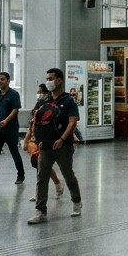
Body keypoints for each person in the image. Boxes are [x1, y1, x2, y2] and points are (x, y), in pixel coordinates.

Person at [26, 68, 83, 224]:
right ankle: (40, 211)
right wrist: (33, 138)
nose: (48, 81)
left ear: (59, 80)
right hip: (45, 146)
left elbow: (72, 122)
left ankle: (76, 201)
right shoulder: (44, 101)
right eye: (47, 78)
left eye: (51, 78)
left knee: (68, 174)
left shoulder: (68, 100)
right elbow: (36, 120)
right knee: (42, 177)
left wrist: (63, 138)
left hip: (63, 146)